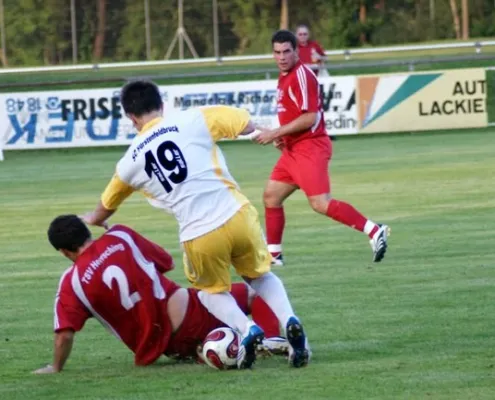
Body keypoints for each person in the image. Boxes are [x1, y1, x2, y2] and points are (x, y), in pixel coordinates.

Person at [81, 80, 310, 369]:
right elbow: (240, 121)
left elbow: (105, 207)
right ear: (161, 105)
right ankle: (289, 318)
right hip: (237, 212)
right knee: (260, 277)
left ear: (130, 117)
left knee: (209, 293)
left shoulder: (129, 163)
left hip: (198, 233)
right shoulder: (191, 118)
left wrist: (91, 219)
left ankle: (247, 328)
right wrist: (261, 132)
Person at [33, 216, 291, 374]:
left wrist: (56, 367)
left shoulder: (71, 282)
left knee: (210, 339)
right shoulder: (119, 235)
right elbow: (166, 262)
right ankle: (268, 340)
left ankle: (206, 350)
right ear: (87, 231)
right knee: (252, 294)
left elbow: (64, 334)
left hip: (166, 347)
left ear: (65, 252)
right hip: (191, 312)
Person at [253, 30, 389, 266]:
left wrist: (275, 132)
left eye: (287, 51)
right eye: (277, 52)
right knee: (271, 197)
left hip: (310, 147)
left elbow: (309, 117)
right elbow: (295, 116)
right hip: (293, 149)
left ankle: (374, 230)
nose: (282, 56)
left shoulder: (302, 75)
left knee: (320, 203)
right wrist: (283, 138)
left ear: (296, 51)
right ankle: (274, 255)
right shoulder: (284, 76)